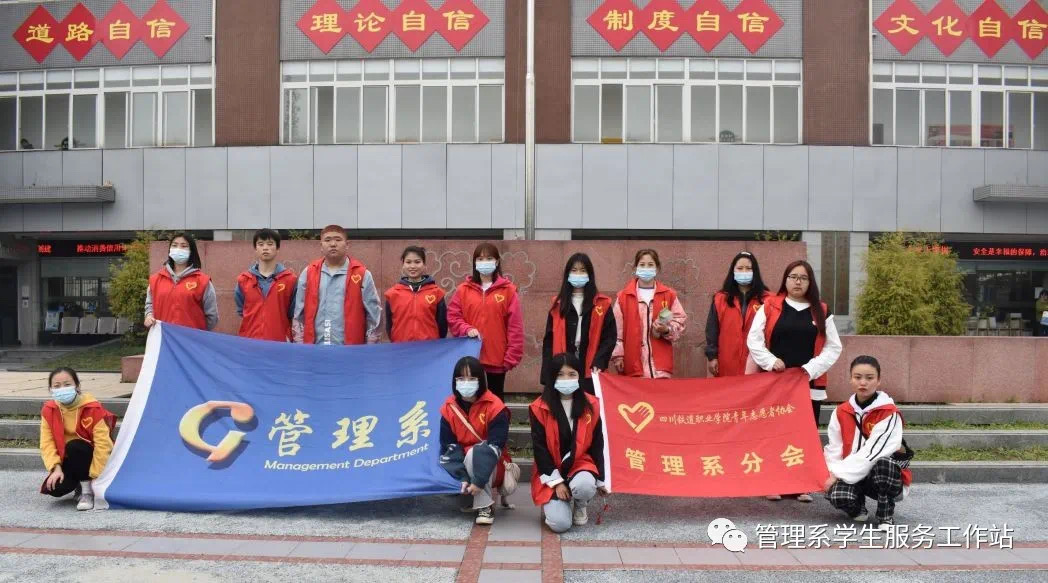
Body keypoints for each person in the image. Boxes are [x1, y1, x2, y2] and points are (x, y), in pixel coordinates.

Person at [747, 259, 842, 503]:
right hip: (775, 384)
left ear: (810, 282)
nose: (797, 282)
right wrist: (770, 361)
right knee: (773, 433)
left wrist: (810, 369)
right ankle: (773, 482)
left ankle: (800, 484)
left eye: (803, 278)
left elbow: (833, 347)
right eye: (793, 277)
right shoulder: (770, 306)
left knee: (802, 435)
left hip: (807, 384)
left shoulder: (821, 310)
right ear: (785, 280)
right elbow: (754, 340)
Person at [824, 356, 913, 530]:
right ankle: (858, 508)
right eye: (857, 377)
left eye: (869, 378)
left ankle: (885, 516)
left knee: (884, 463)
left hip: (881, 476)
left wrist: (838, 473)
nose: (863, 382)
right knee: (837, 496)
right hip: (852, 473)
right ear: (850, 379)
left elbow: (874, 452)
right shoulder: (841, 411)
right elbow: (834, 448)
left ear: (878, 381)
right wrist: (831, 472)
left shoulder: (889, 413)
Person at [530, 353, 606, 533]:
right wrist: (557, 483)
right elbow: (540, 449)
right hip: (551, 468)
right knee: (560, 525)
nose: (566, 379)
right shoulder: (539, 407)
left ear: (579, 376)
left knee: (585, 486)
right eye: (560, 374)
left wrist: (601, 480)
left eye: (572, 374)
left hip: (580, 463)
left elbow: (597, 443)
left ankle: (580, 503)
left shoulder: (592, 405)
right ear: (552, 377)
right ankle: (559, 501)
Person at [439, 356, 513, 525]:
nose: (466, 383)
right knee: (454, 458)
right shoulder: (449, 408)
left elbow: (496, 446)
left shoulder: (495, 406)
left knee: (475, 453)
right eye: (461, 378)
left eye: (471, 378)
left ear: (481, 380)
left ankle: (485, 506)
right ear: (454, 381)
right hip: (462, 463)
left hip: (494, 464)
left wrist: (478, 481)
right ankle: (468, 493)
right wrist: (462, 476)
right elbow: (449, 446)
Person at [447, 243, 525, 400]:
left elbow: (515, 327)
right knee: (469, 401)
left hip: (497, 360)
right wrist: (466, 329)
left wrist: (511, 358)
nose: (484, 262)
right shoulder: (463, 290)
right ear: (475, 262)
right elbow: (453, 316)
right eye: (480, 259)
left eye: (489, 258)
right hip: (470, 358)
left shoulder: (508, 291)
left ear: (497, 262)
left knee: (494, 402)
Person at [39, 367, 116, 511]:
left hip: (90, 457)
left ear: (77, 386)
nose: (62, 389)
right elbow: (46, 443)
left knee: (75, 446)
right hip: (68, 458)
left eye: (67, 384)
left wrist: (96, 476)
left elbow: (103, 445)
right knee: (55, 488)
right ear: (51, 389)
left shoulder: (93, 408)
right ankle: (80, 484)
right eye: (57, 386)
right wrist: (56, 468)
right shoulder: (49, 410)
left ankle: (87, 491)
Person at [541, 253, 616, 394]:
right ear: (567, 274)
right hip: (563, 366)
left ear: (589, 274)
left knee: (588, 404)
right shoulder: (557, 304)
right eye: (574, 270)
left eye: (582, 270)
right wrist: (547, 373)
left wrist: (599, 361)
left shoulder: (603, 304)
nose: (578, 274)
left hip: (591, 366)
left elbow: (610, 338)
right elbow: (549, 341)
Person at [293, 225, 381, 345]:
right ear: (321, 246)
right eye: (328, 240)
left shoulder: (362, 274)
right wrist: (300, 344)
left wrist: (370, 347)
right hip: (315, 348)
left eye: (338, 240)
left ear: (347, 244)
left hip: (350, 349)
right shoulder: (309, 272)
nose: (333, 244)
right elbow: (299, 313)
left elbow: (374, 315)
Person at [611, 249, 687, 378]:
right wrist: (618, 356)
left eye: (650, 265)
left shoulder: (669, 295)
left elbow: (680, 320)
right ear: (635, 268)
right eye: (642, 264)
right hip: (633, 366)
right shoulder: (623, 297)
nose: (646, 268)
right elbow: (616, 330)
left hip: (660, 368)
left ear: (657, 268)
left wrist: (666, 330)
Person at [705, 251, 770, 378]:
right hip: (727, 360)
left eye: (748, 268)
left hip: (756, 362)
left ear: (755, 272)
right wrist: (712, 356)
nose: (744, 272)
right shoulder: (720, 298)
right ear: (733, 271)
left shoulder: (767, 299)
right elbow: (712, 330)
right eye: (740, 268)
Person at [144, 233, 218, 331]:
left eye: (184, 246)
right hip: (164, 337)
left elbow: (212, 316)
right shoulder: (156, 279)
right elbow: (150, 305)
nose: (178, 249)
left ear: (191, 251)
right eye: (174, 245)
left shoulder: (202, 281)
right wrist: (149, 316)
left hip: (190, 338)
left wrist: (198, 333)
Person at [235, 228, 297, 341]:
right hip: (249, 342)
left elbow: (293, 313)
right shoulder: (244, 280)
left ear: (277, 248)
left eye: (270, 244)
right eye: (260, 244)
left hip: (279, 342)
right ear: (255, 248)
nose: (265, 248)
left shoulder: (290, 280)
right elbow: (241, 310)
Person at [384, 246, 448, 342]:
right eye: (408, 262)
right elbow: (389, 325)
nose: (412, 266)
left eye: (417, 262)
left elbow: (442, 326)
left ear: (424, 265)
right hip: (401, 347)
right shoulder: (392, 294)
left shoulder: (436, 293)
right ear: (403, 265)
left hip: (430, 347)